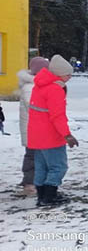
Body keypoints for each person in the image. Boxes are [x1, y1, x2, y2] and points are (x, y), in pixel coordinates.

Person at [28, 54, 79, 206]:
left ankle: (41, 196)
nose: (70, 77)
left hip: (37, 135)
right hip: (51, 136)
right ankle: (50, 196)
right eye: (67, 74)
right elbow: (57, 116)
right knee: (58, 166)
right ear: (58, 74)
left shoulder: (39, 86)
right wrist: (67, 135)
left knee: (41, 167)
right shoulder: (54, 89)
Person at [17, 57, 49, 195]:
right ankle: (29, 183)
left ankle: (36, 181)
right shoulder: (30, 87)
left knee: (38, 156)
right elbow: (34, 106)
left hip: (37, 127)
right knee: (32, 156)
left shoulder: (36, 85)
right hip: (32, 129)